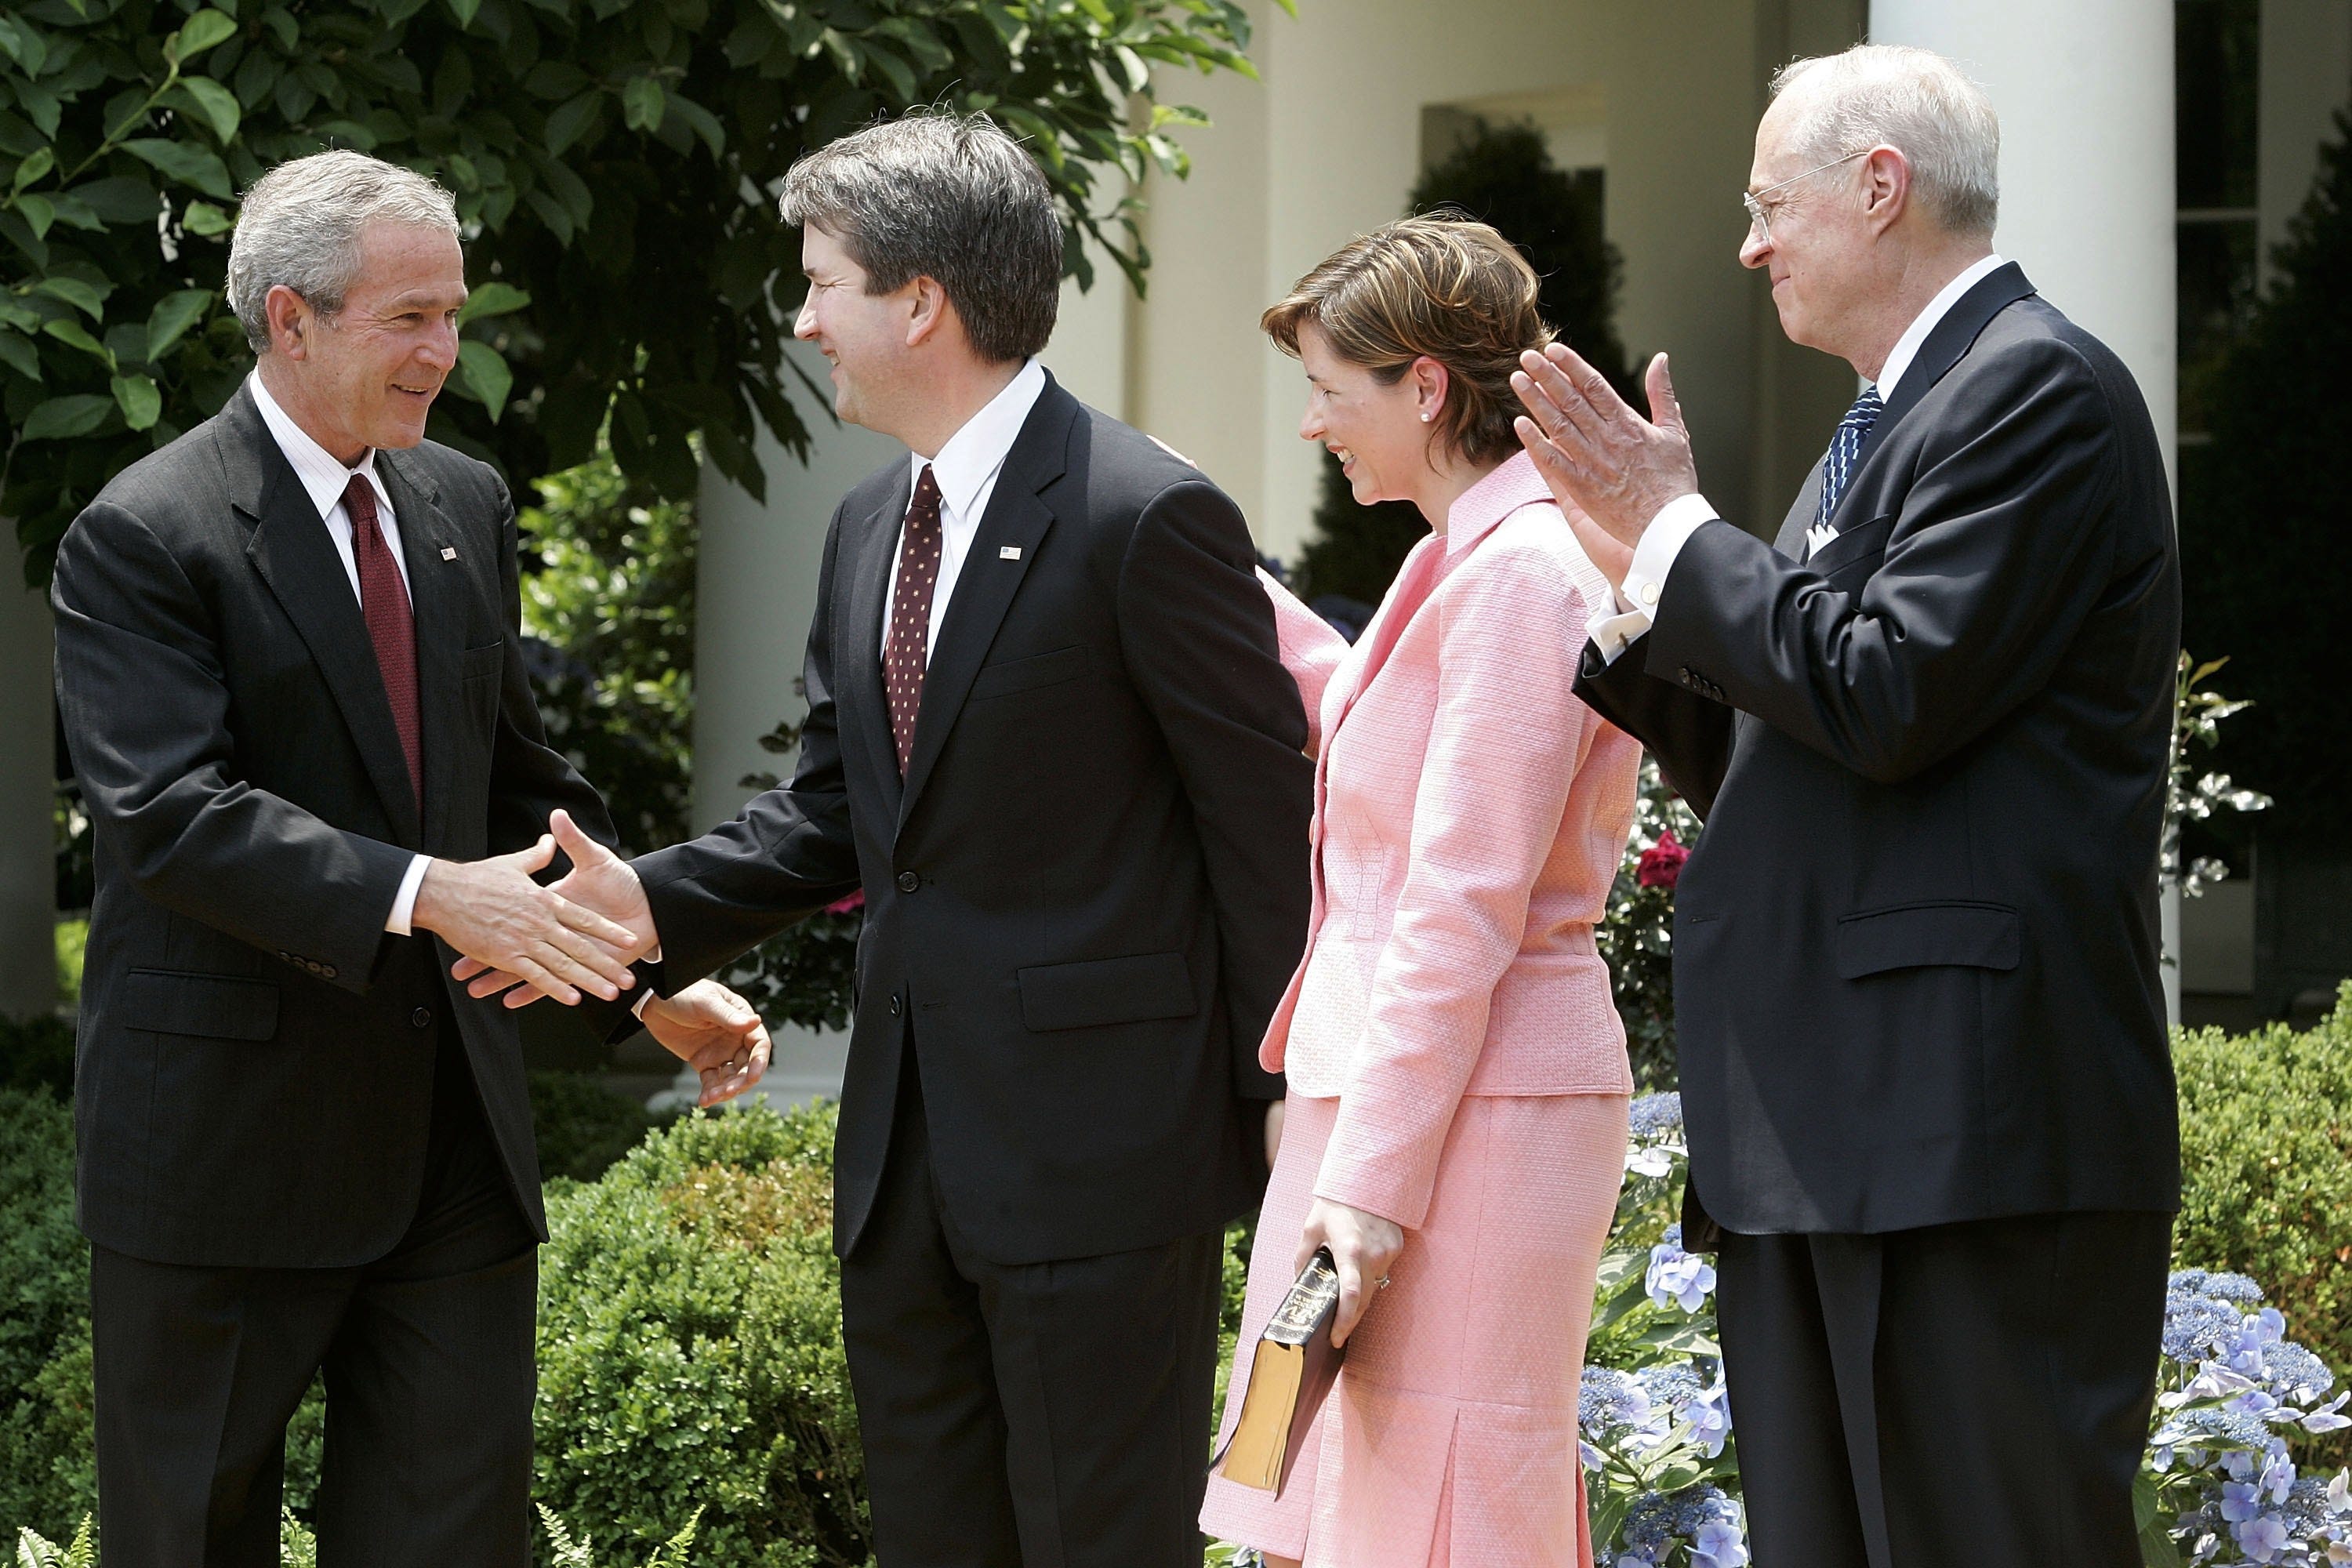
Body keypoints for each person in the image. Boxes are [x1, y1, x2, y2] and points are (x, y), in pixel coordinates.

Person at [463, 111, 1313, 1567]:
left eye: (822, 281)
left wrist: (1285, 1110)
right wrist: (640, 909)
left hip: (1104, 1174)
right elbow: (841, 815)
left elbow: (1266, 840)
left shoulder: (1144, 513)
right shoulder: (868, 526)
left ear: (922, 301)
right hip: (907, 1167)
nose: (803, 319)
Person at [1512, 44, 2180, 1568]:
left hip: (1963, 1134)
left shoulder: (2036, 389)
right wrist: (1640, 573)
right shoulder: (1895, 416)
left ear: (1881, 188)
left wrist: (1680, 531)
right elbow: (1802, 734)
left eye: (1769, 206)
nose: (1747, 247)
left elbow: (1886, 691)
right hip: (1844, 1131)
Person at [49, 150, 767, 1566]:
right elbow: (171, 815)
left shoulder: (461, 503)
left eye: (454, 314)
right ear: (289, 320)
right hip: (221, 1153)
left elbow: (517, 791)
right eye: (408, 319)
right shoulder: (142, 532)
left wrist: (643, 968)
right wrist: (431, 894)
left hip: (453, 1147)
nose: (445, 353)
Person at [1200, 216, 1642, 1568]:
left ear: (1428, 387)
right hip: (1417, 1093)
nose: (1314, 425)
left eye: (1333, 390)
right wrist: (1208, 571)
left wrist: (1373, 1175)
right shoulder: (1465, 551)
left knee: (1442, 1507)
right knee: (1337, 1493)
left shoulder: (1520, 569)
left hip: (1473, 1110)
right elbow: (1383, 726)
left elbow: (1464, 894)